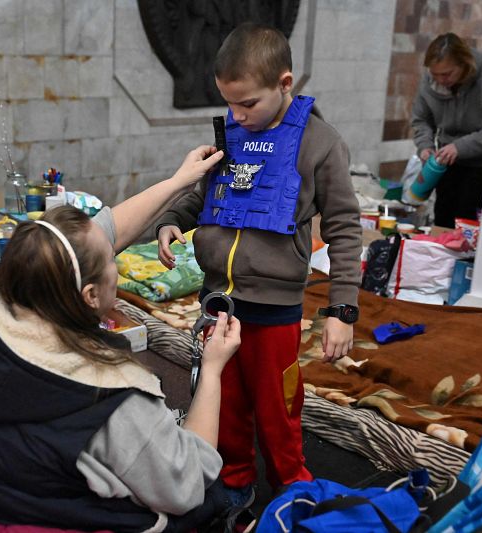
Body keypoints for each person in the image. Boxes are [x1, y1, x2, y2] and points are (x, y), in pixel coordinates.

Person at [0, 146, 243, 532]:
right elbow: (187, 484)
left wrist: (177, 182)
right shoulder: (111, 397)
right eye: (112, 260)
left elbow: (102, 233)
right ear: (90, 296)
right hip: (33, 509)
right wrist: (212, 370)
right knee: (214, 496)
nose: (116, 260)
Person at [155, 23, 362, 512]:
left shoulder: (321, 143)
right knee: (220, 401)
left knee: (279, 409)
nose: (237, 114)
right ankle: (235, 484)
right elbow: (203, 193)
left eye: (248, 103)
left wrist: (343, 309)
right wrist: (169, 221)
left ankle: (294, 490)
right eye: (229, 103)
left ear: (284, 84)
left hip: (274, 311)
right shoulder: (231, 132)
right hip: (217, 304)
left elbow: (346, 226)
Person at [411, 32, 482, 228]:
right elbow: (421, 120)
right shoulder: (431, 80)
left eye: (447, 74)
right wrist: (425, 146)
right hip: (445, 162)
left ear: (464, 64)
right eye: (435, 74)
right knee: (443, 218)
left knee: (466, 222)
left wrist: (459, 147)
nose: (440, 80)